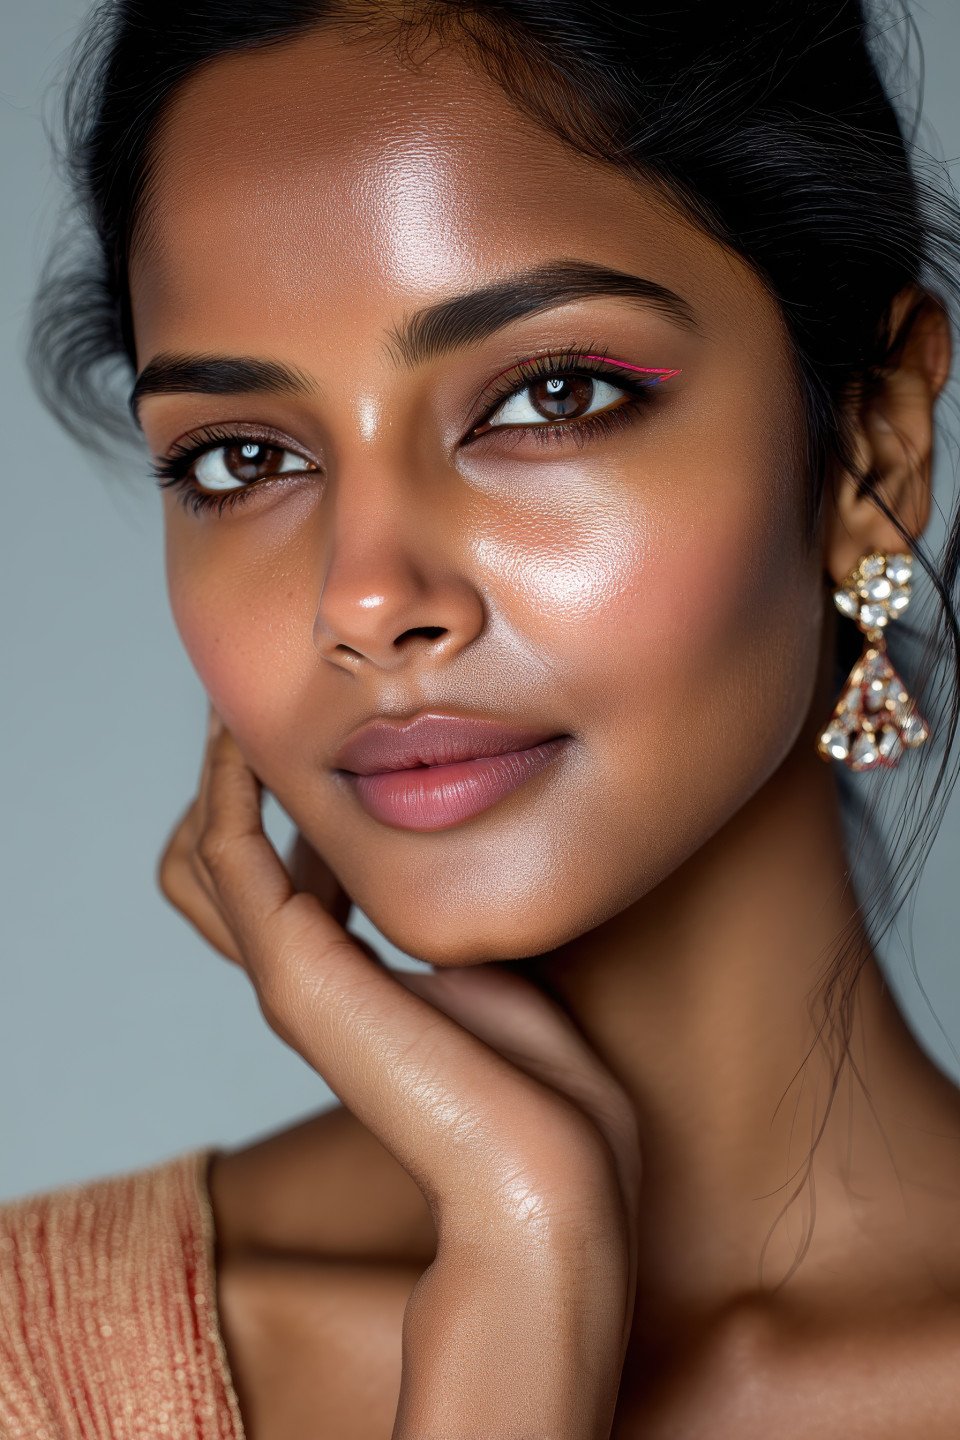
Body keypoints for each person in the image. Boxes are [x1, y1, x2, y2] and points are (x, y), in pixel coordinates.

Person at [3, 0, 960, 1434]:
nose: (370, 598)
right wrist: (525, 1259)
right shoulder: (43, 1361)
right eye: (243, 455)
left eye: (548, 395)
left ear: (871, 450)